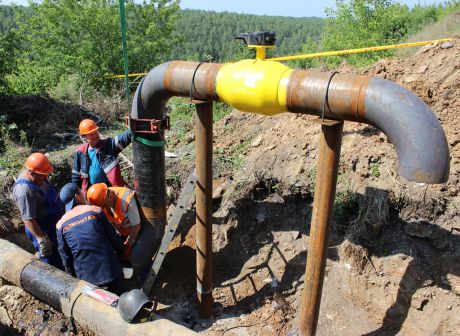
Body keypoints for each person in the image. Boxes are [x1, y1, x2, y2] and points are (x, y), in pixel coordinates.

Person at [56, 183, 126, 294]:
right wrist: (123, 254)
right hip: (110, 271)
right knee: (122, 301)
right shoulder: (95, 211)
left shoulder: (61, 225)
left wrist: (72, 277)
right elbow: (113, 238)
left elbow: (65, 256)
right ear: (77, 196)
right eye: (81, 192)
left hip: (87, 279)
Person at [86, 183, 161, 284]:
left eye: (104, 205)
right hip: (123, 232)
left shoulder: (127, 200)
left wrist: (129, 243)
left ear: (110, 195)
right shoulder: (102, 200)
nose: (103, 208)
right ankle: (133, 275)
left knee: (143, 255)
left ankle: (149, 278)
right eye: (102, 206)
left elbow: (136, 225)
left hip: (138, 232)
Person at [12, 153, 64, 269]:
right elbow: (28, 219)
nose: (46, 178)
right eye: (42, 175)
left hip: (54, 225)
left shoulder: (39, 177)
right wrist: (42, 239)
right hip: (43, 229)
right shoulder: (24, 191)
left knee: (62, 254)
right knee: (52, 260)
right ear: (31, 172)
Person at [72, 119, 132, 195]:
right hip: (91, 192)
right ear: (84, 136)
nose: (95, 136)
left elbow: (123, 138)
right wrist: (76, 194)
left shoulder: (108, 145)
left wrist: (133, 129)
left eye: (96, 132)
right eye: (91, 134)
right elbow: (75, 175)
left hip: (110, 190)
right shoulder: (80, 152)